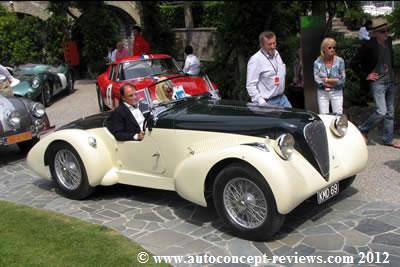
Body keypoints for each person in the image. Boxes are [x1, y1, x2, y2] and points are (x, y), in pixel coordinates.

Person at [353, 16, 400, 149]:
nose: (387, 33)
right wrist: (366, 75)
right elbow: (354, 63)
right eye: (383, 31)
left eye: (387, 30)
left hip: (390, 81)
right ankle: (363, 129)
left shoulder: (389, 41)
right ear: (375, 33)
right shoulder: (368, 45)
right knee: (381, 111)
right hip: (378, 83)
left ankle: (388, 139)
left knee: (390, 113)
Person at [246, 31, 292, 108]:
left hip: (282, 98)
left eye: (274, 43)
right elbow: (250, 85)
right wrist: (262, 102)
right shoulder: (256, 60)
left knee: (293, 118)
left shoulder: (276, 53)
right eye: (269, 44)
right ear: (262, 45)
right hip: (268, 102)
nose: (273, 46)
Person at [313, 37, 346, 114]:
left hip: (337, 91)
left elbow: (342, 79)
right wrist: (334, 80)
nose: (332, 49)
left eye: (334, 47)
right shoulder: (317, 62)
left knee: (338, 115)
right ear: (323, 49)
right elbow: (317, 79)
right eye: (330, 47)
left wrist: (327, 80)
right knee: (324, 115)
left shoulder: (340, 61)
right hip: (322, 92)